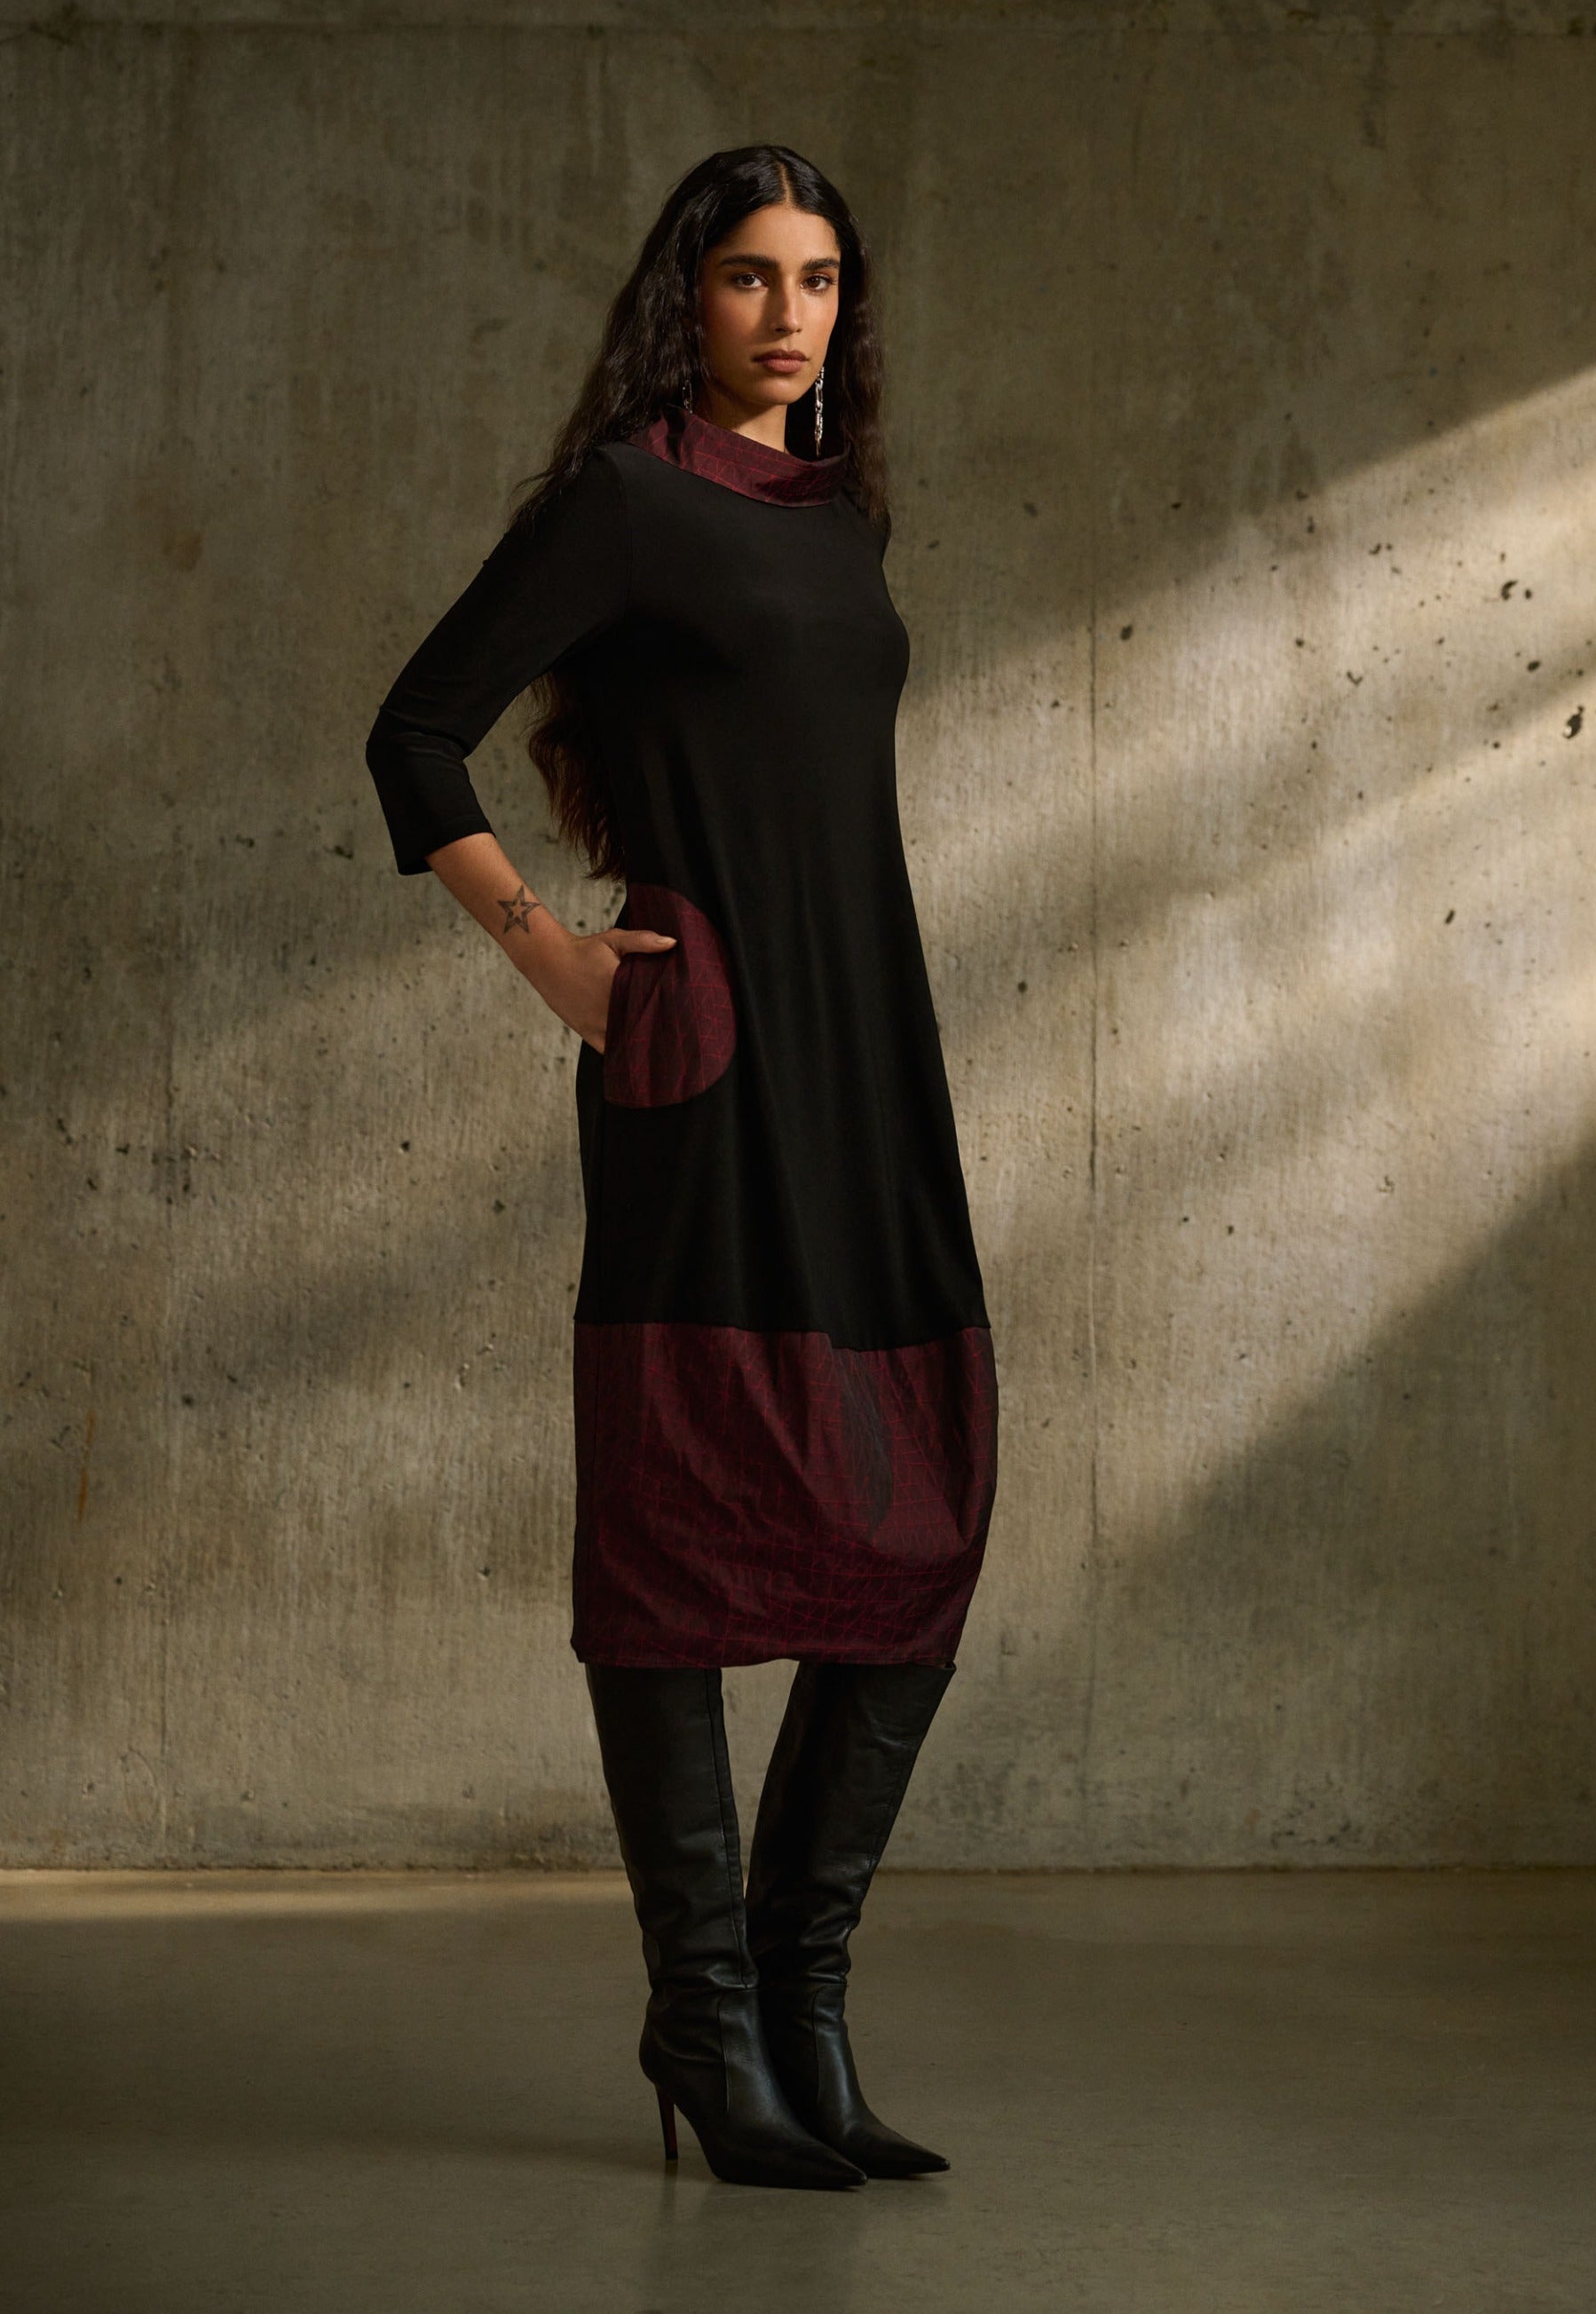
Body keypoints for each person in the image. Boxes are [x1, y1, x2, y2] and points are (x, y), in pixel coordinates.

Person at [365, 145, 998, 2190]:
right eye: (747, 276)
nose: (786, 313)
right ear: (686, 297)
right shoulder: (628, 501)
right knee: (681, 1522)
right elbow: (415, 733)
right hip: (705, 1063)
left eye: (818, 278)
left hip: (870, 1054)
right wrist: (551, 953)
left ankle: (803, 2008)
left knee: (920, 1514)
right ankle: (709, 2031)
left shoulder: (843, 520)